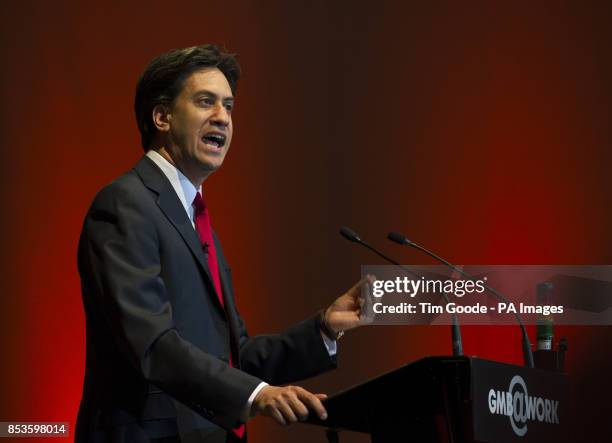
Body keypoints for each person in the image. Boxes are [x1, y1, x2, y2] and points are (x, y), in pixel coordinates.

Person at [75, 44, 370, 443]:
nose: (223, 118)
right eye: (205, 102)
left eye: (229, 106)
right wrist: (257, 394)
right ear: (161, 116)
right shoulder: (124, 203)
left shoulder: (195, 220)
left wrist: (323, 330)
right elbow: (152, 345)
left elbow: (236, 357)